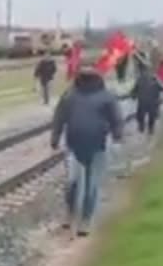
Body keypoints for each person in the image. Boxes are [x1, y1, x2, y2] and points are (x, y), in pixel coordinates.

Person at [50, 64, 124, 237]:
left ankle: (86, 220)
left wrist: (117, 135)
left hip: (98, 146)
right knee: (72, 183)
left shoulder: (106, 97)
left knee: (91, 185)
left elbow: (116, 118)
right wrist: (55, 136)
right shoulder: (70, 96)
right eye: (84, 77)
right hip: (74, 146)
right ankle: (71, 214)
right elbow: (59, 117)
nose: (86, 81)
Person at [129, 63, 163, 136]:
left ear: (141, 71)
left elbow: (134, 89)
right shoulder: (154, 78)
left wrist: (132, 95)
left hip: (142, 101)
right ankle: (150, 129)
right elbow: (162, 88)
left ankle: (141, 127)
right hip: (153, 101)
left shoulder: (139, 79)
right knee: (151, 116)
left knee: (140, 115)